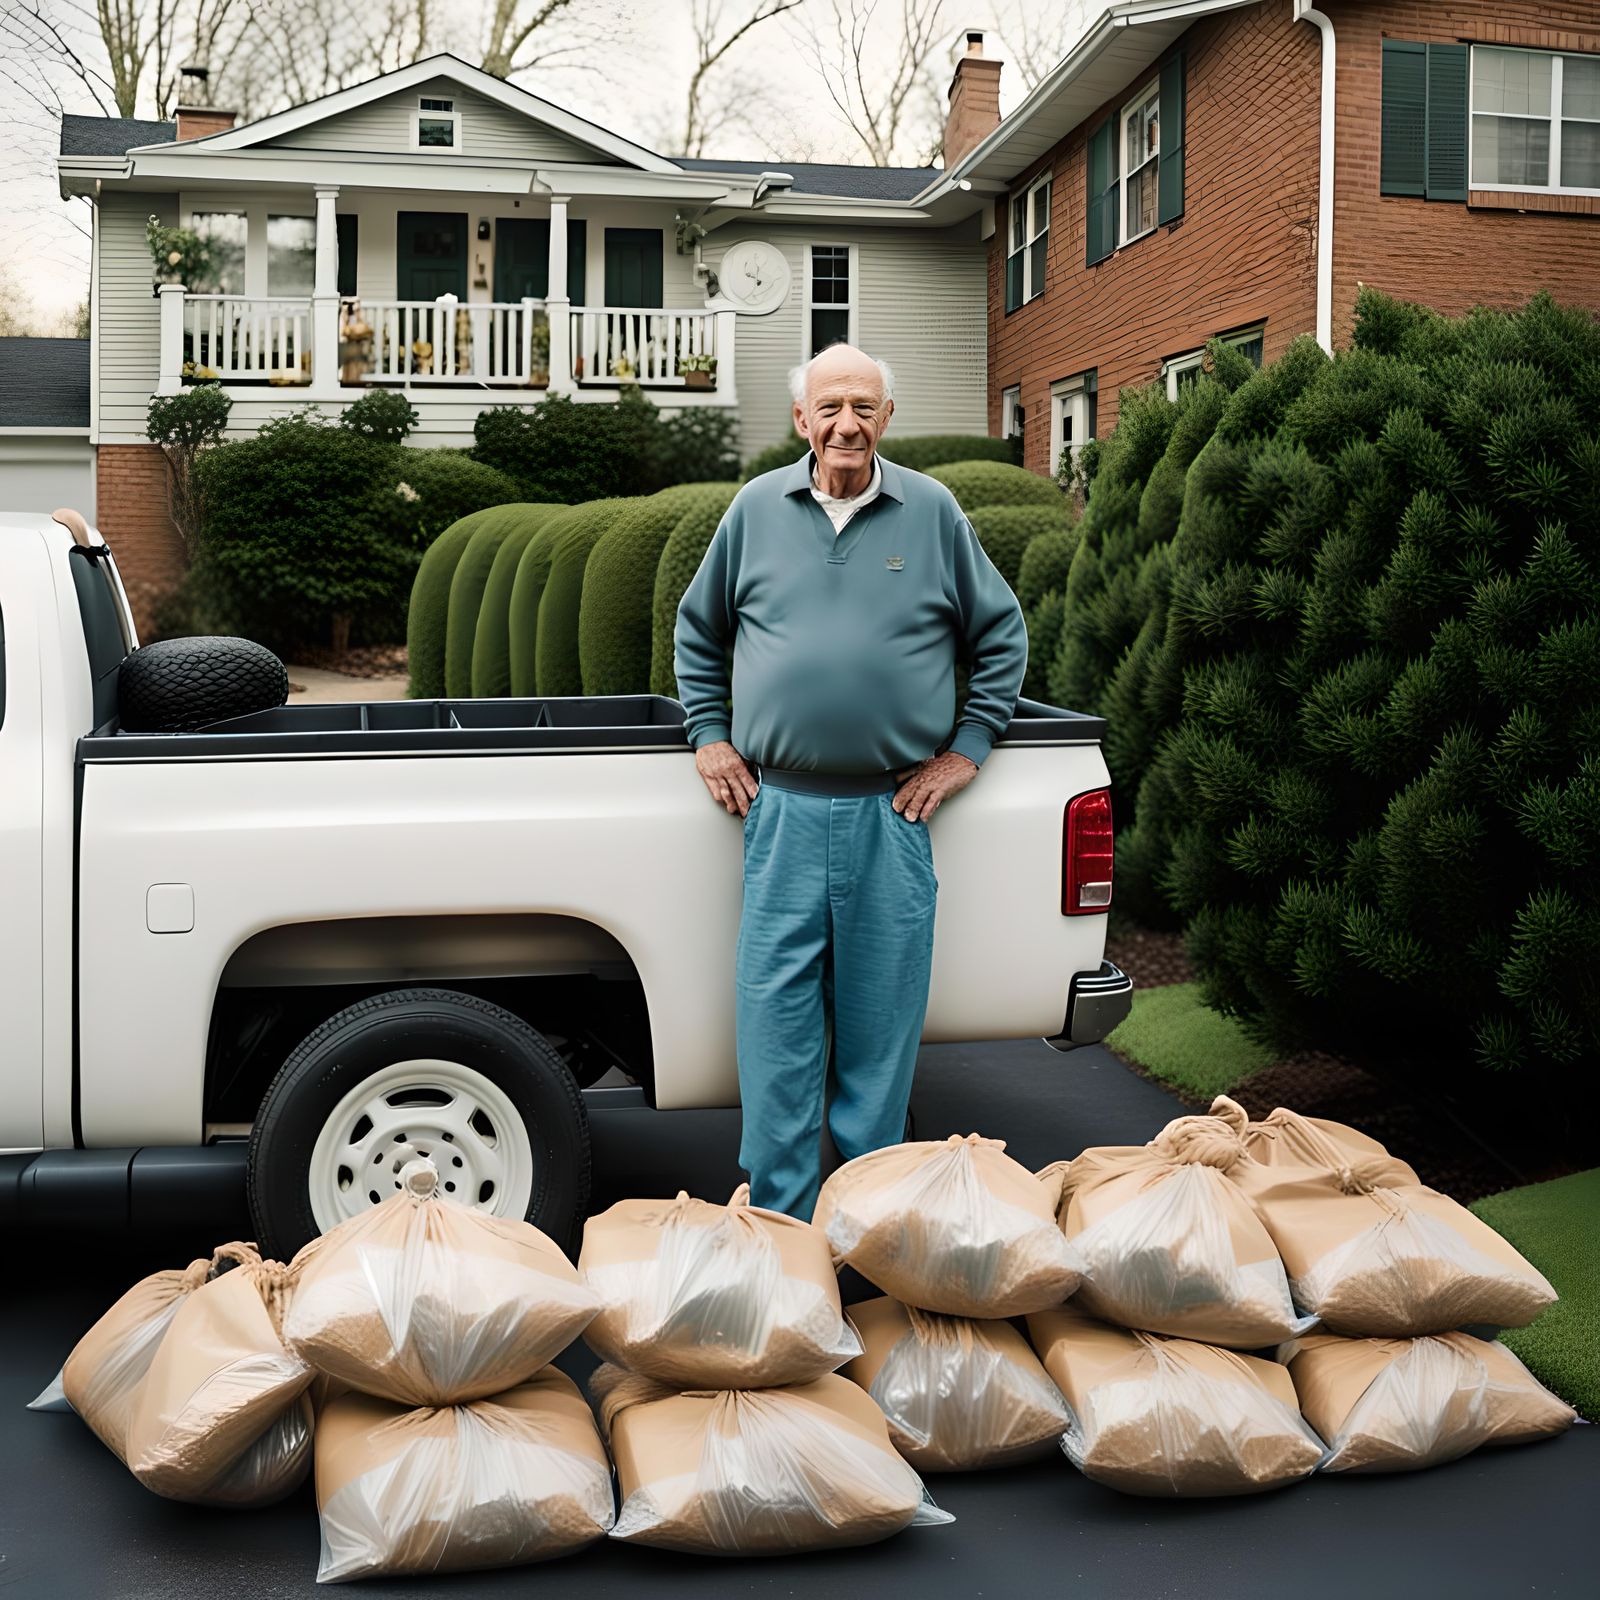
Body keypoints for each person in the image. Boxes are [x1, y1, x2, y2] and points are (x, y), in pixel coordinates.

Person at [673, 342, 1027, 1220]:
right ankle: (784, 1231)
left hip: (890, 813)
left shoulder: (934, 512)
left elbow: (1001, 636)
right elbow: (699, 632)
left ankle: (871, 1235)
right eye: (830, 407)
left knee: (880, 1038)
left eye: (864, 407)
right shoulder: (755, 512)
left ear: (886, 419)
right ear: (801, 420)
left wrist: (967, 749)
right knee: (777, 1034)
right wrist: (710, 734)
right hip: (780, 811)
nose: (847, 424)